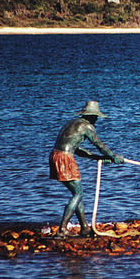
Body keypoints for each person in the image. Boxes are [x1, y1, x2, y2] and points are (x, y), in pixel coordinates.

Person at [49, 101, 124, 237]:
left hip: (55, 155)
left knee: (78, 193)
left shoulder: (71, 124)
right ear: (91, 116)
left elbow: (77, 150)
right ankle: (62, 229)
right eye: (95, 117)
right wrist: (114, 156)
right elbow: (99, 144)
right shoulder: (87, 126)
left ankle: (84, 227)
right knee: (78, 194)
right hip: (64, 158)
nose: (96, 120)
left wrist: (98, 158)